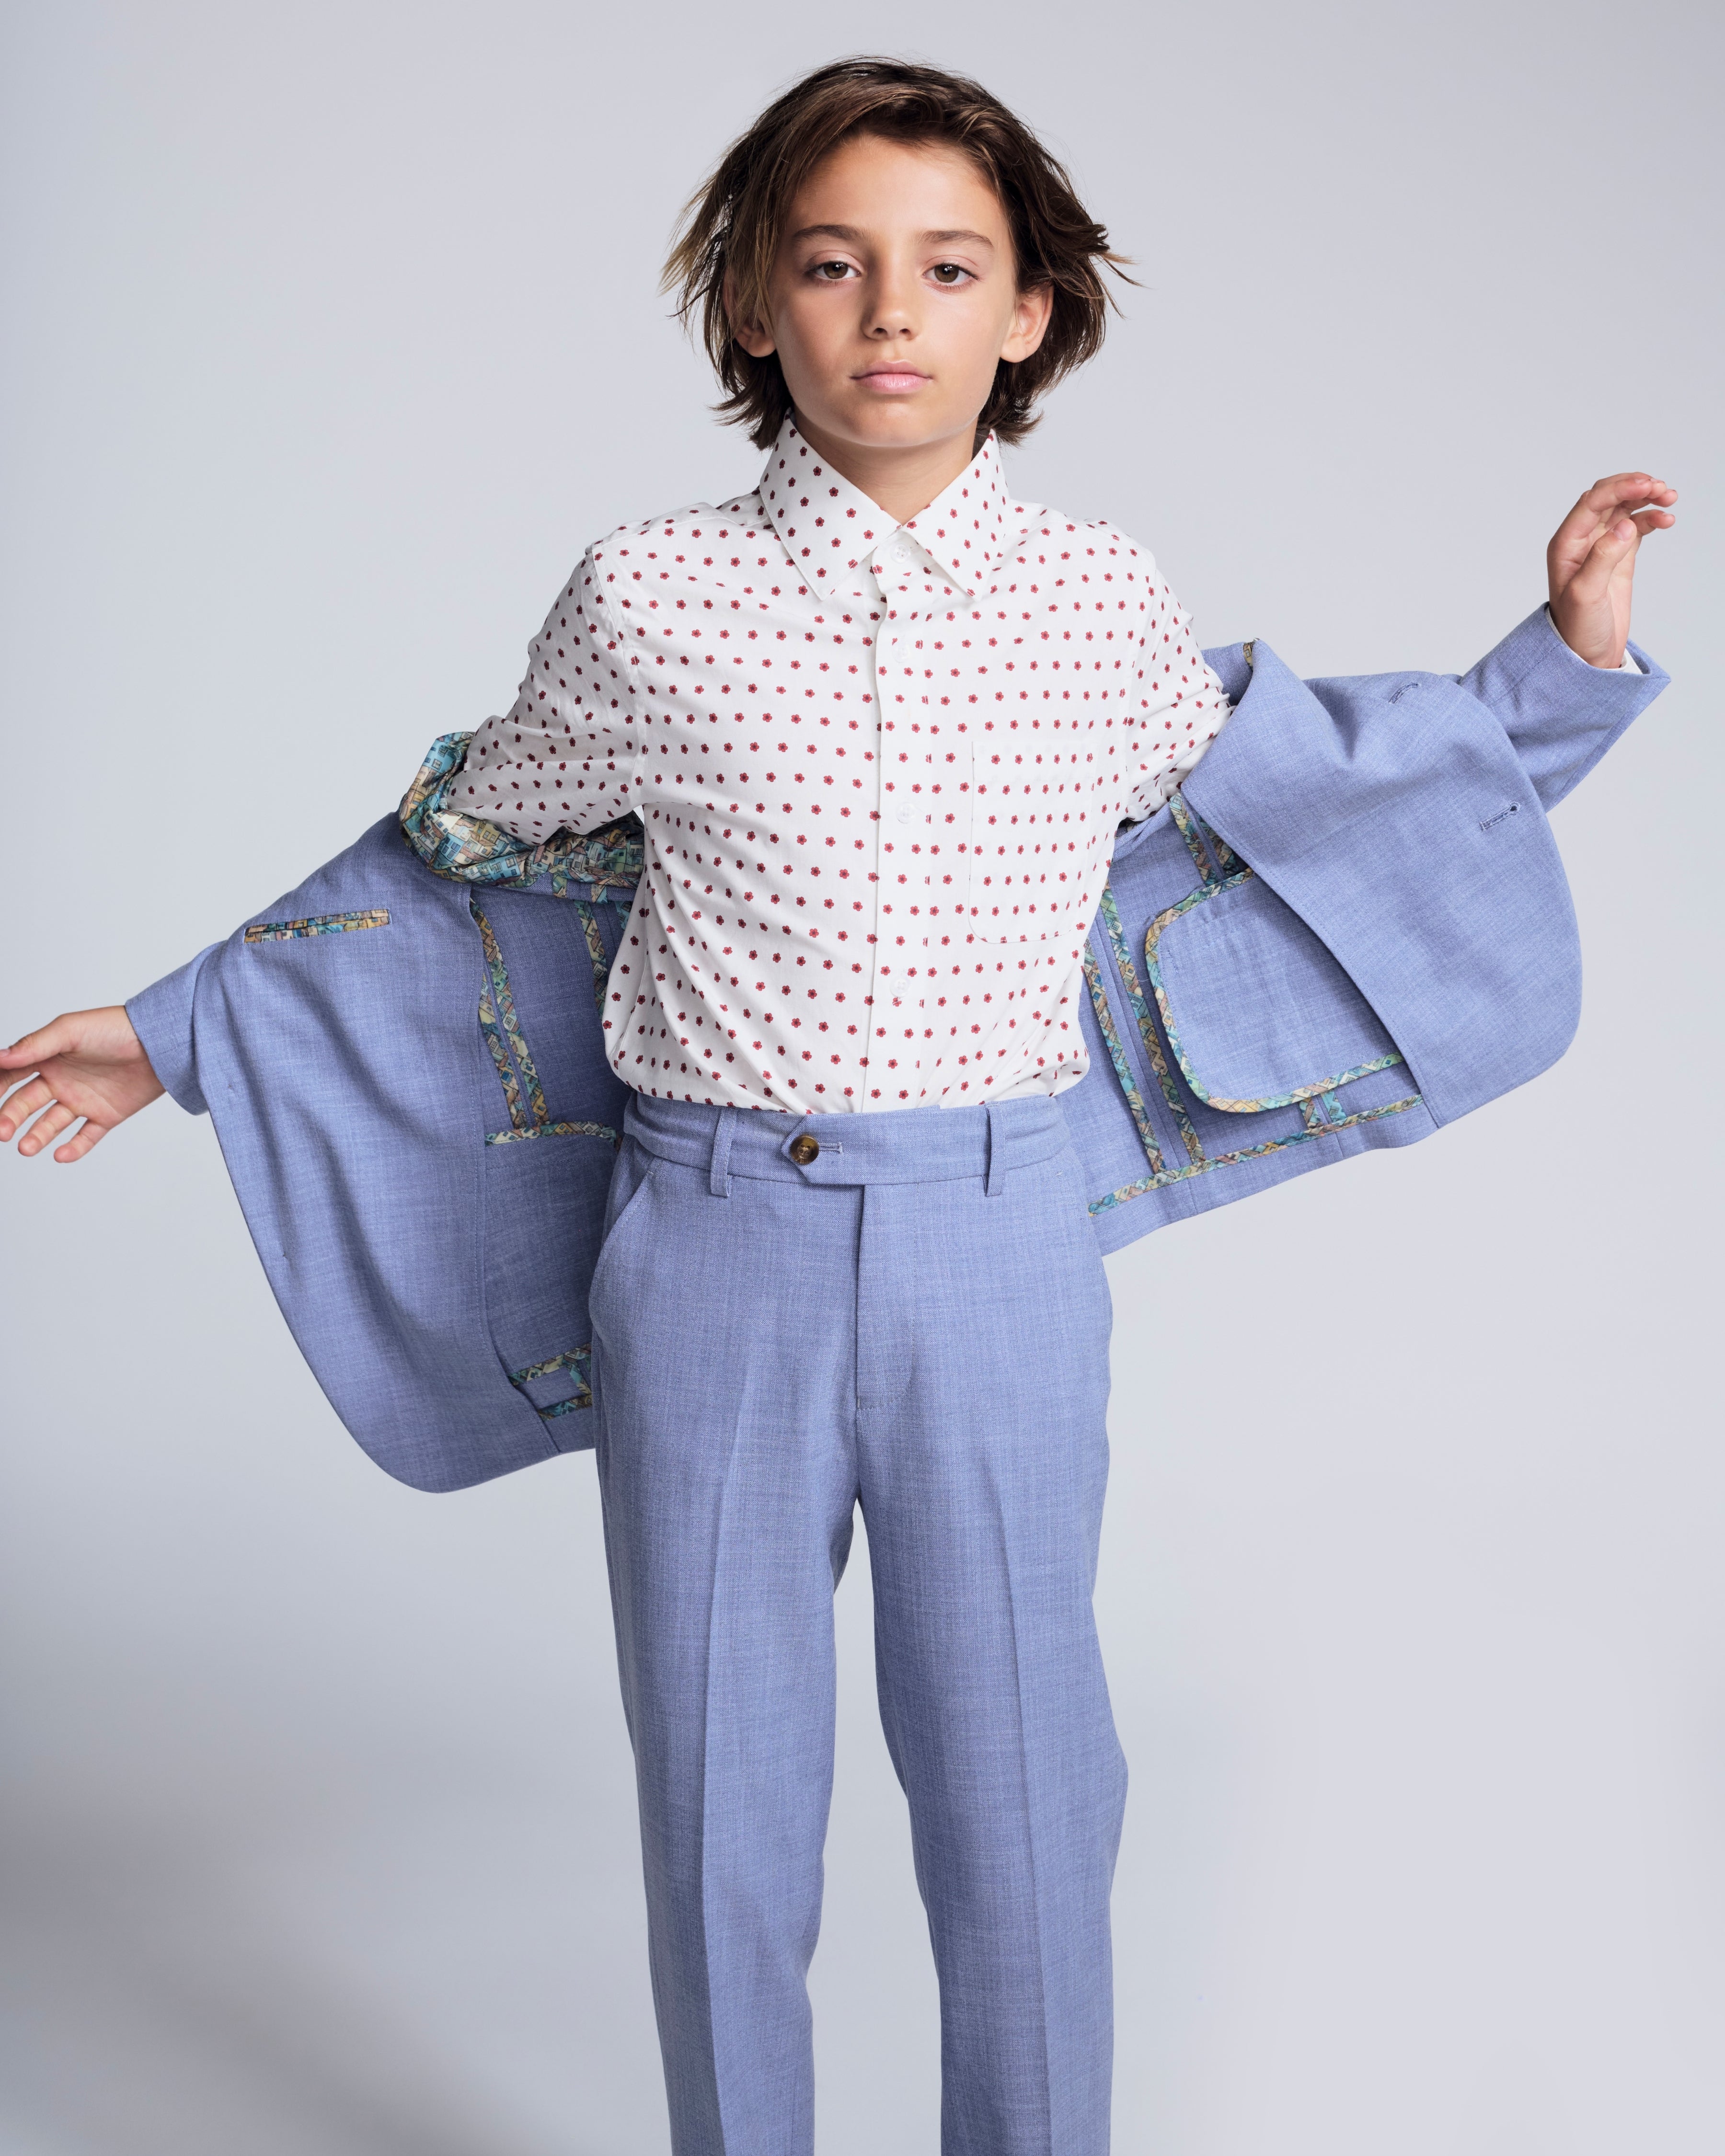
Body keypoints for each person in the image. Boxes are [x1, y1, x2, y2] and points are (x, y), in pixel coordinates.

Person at [0, 56, 1677, 2156]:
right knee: (724, 1810)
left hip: (998, 1248)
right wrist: (172, 1028)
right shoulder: (644, 599)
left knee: (1026, 1797)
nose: (891, 311)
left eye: (947, 266)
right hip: (706, 1261)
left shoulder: (1096, 604)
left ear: (1029, 312)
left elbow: (1320, 800)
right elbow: (444, 861)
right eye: (833, 264)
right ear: (751, 310)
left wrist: (1556, 678)